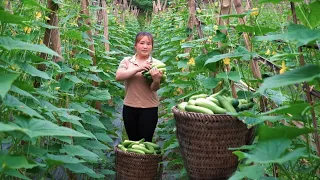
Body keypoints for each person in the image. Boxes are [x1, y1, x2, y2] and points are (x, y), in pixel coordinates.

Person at [115, 32, 163, 142]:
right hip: (129, 107)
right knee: (133, 141)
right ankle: (133, 160)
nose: (145, 46)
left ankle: (145, 160)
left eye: (148, 43)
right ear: (135, 45)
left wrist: (156, 80)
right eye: (142, 43)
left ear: (152, 46)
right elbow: (119, 76)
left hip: (149, 108)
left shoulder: (156, 64)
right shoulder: (127, 61)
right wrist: (138, 68)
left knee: (146, 141)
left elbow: (154, 88)